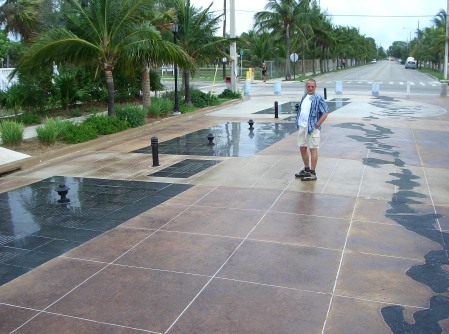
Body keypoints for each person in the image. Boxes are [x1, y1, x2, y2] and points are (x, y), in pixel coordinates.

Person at [295, 79, 329, 181]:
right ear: (306, 87)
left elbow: (325, 113)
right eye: (308, 86)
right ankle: (306, 169)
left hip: (312, 128)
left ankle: (313, 173)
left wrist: (317, 125)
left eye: (312, 87)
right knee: (302, 148)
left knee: (313, 149)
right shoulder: (304, 96)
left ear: (315, 87)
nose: (310, 88)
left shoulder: (318, 98)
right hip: (302, 127)